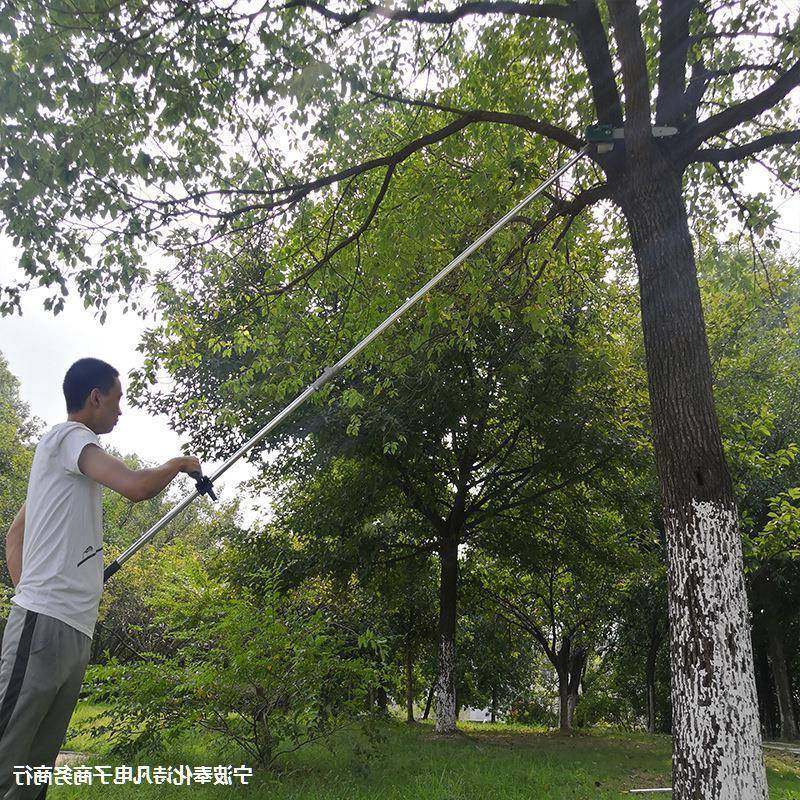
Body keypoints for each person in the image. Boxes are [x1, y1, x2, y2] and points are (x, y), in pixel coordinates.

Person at [0, 357, 203, 798]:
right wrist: (178, 463)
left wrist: (34, 594)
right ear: (95, 397)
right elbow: (136, 487)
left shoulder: (57, 468)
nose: (120, 410)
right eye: (117, 399)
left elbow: (14, 536)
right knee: (7, 751)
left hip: (73, 628)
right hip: (45, 623)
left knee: (34, 769)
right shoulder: (70, 437)